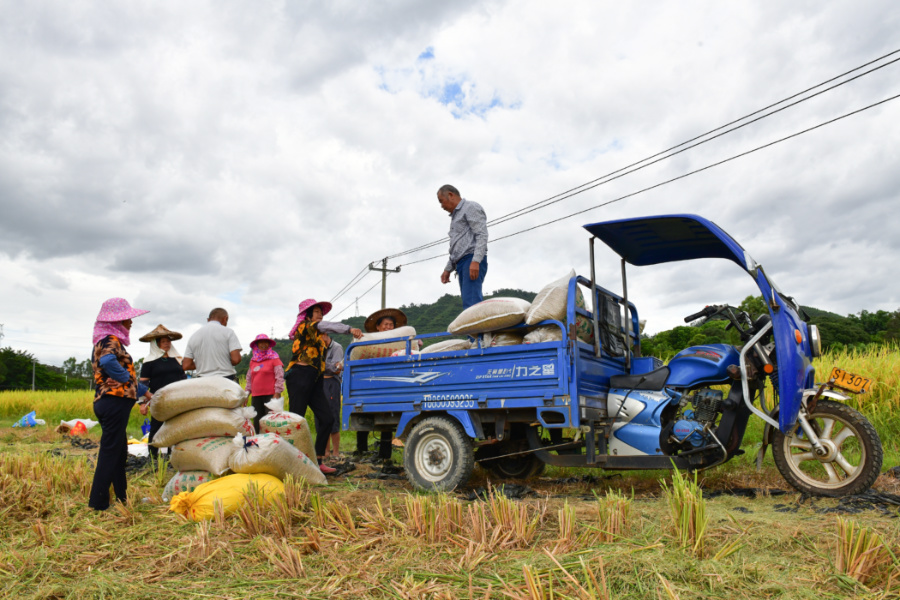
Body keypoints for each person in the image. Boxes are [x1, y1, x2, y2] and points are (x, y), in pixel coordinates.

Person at [88, 297, 152, 511]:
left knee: (118, 451)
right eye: (127, 319)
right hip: (114, 402)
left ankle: (121, 497)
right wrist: (124, 377)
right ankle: (98, 502)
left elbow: (128, 379)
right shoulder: (110, 339)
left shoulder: (104, 340)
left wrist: (147, 393)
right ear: (116, 321)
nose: (130, 322)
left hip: (109, 402)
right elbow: (108, 363)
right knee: (110, 451)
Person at [285, 299, 362, 474]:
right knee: (297, 419)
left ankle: (318, 461)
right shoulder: (305, 326)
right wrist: (350, 329)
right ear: (308, 315)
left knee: (327, 419)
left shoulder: (319, 337)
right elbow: (329, 326)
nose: (320, 315)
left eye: (321, 312)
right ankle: (291, 463)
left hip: (316, 378)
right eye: (317, 312)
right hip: (300, 376)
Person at [354, 308, 407, 459]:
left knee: (387, 416)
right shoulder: (369, 340)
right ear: (378, 327)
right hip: (369, 381)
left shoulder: (397, 341)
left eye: (391, 325)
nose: (388, 327)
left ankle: (385, 454)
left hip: (389, 381)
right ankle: (361, 449)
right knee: (363, 412)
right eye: (385, 324)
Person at [137, 324, 187, 460]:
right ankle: (153, 457)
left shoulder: (176, 359)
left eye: (168, 341)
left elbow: (183, 377)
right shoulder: (149, 362)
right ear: (156, 344)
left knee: (175, 426)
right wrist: (142, 403)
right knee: (157, 427)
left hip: (176, 398)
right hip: (157, 398)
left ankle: (174, 455)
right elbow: (143, 384)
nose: (167, 344)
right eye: (164, 342)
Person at [437, 184, 488, 309]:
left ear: (450, 195)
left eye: (441, 201)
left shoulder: (470, 207)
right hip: (461, 263)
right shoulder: (455, 217)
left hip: (470, 258)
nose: (441, 206)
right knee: (468, 301)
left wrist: (475, 261)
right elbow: (457, 246)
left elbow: (481, 235)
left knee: (471, 302)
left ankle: (476, 328)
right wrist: (448, 269)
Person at [182, 308, 242, 379]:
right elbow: (236, 359)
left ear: (208, 320)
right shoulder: (228, 332)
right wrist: (223, 361)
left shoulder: (194, 336)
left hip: (203, 380)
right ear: (225, 319)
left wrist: (204, 364)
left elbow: (186, 365)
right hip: (225, 378)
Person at [245, 333, 284, 432]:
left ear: (269, 344)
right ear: (256, 345)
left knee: (270, 422)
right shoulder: (253, 360)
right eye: (260, 342)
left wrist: (277, 393)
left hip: (271, 396)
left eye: (265, 342)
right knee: (257, 422)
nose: (263, 344)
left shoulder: (274, 358)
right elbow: (249, 378)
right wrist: (246, 394)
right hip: (256, 396)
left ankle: (271, 444)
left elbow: (279, 376)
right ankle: (259, 444)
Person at [314, 331, 343, 460]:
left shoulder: (337, 347)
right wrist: (329, 366)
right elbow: (331, 367)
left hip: (331, 383)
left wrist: (320, 366)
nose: (319, 339)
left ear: (326, 335)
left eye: (320, 336)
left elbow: (337, 368)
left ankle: (335, 452)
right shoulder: (316, 348)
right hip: (319, 383)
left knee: (333, 416)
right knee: (321, 418)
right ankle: (325, 452)